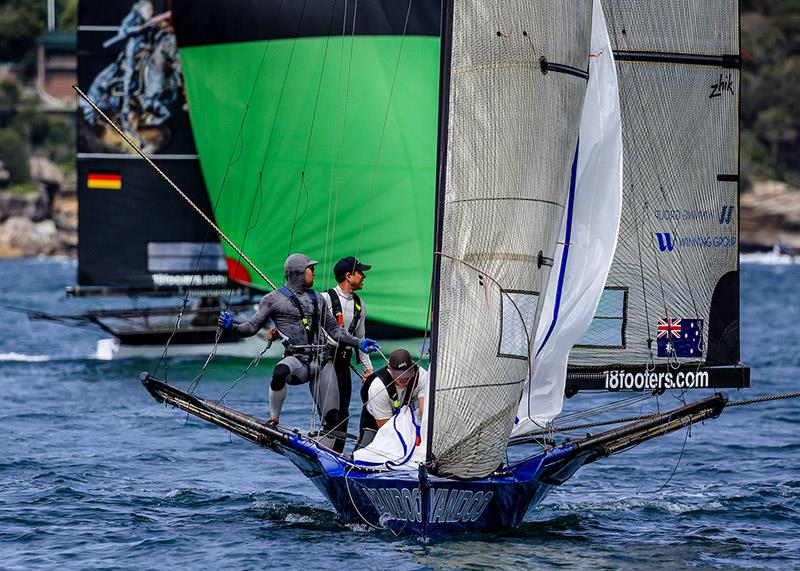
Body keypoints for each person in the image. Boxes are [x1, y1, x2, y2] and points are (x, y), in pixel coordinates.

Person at [218, 253, 380, 449]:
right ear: (299, 272)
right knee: (279, 372)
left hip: (322, 362)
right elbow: (251, 327)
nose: (314, 273)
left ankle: (328, 456)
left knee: (333, 417)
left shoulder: (318, 299)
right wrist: (232, 327)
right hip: (297, 361)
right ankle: (273, 419)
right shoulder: (273, 299)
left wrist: (358, 343)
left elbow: (336, 332)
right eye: (311, 269)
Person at [320, 256, 373, 452]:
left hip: (343, 363)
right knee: (330, 412)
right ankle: (325, 450)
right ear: (349, 276)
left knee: (343, 413)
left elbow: (361, 339)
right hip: (324, 361)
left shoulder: (360, 305)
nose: (364, 276)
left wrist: (368, 370)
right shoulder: (324, 298)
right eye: (361, 272)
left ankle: (337, 454)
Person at [357, 348, 428, 450]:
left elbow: (424, 413)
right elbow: (387, 431)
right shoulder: (378, 387)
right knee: (364, 454)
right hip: (376, 422)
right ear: (389, 368)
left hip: (404, 417)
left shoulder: (421, 376)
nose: (404, 379)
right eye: (400, 375)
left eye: (407, 374)